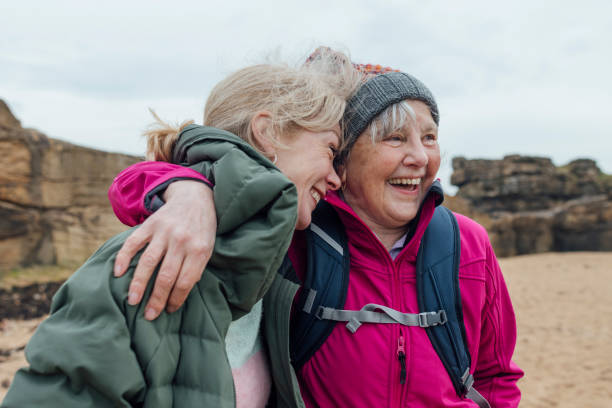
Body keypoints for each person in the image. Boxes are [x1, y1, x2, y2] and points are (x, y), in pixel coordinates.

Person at [106, 60, 524, 407]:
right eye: (395, 138)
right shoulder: (299, 226)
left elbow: (496, 375)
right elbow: (143, 181)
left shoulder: (467, 243)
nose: (418, 156)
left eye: (430, 137)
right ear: (342, 159)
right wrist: (186, 194)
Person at [1, 50, 360, 408]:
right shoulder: (141, 264)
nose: (334, 179)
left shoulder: (276, 277)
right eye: (330, 150)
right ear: (267, 132)